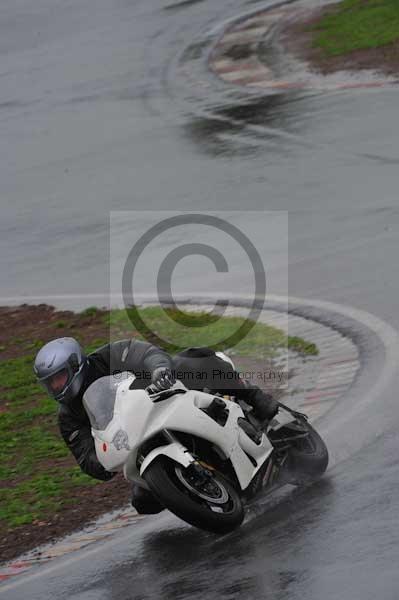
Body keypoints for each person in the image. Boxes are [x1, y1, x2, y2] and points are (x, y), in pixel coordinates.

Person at [33, 337, 278, 514]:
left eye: (59, 378)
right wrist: (103, 461)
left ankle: (252, 396)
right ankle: (197, 496)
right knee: (143, 502)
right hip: (137, 442)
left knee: (191, 361)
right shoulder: (68, 418)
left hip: (162, 399)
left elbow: (145, 353)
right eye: (50, 383)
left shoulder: (108, 356)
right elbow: (86, 457)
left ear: (76, 365)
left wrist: (159, 369)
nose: (55, 386)